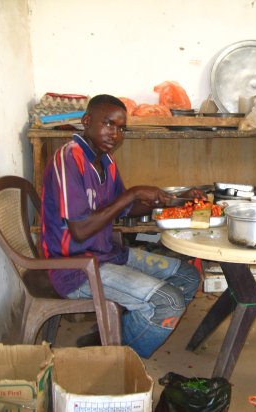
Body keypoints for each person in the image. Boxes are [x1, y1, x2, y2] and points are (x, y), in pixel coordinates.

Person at [40, 94, 201, 358]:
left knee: (187, 276)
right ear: (86, 121)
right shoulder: (68, 159)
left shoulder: (106, 162)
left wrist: (176, 200)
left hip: (107, 255)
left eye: (121, 128)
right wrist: (133, 193)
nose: (115, 134)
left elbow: (125, 210)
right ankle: (118, 358)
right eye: (108, 124)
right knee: (169, 302)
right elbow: (80, 230)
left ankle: (116, 335)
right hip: (75, 268)